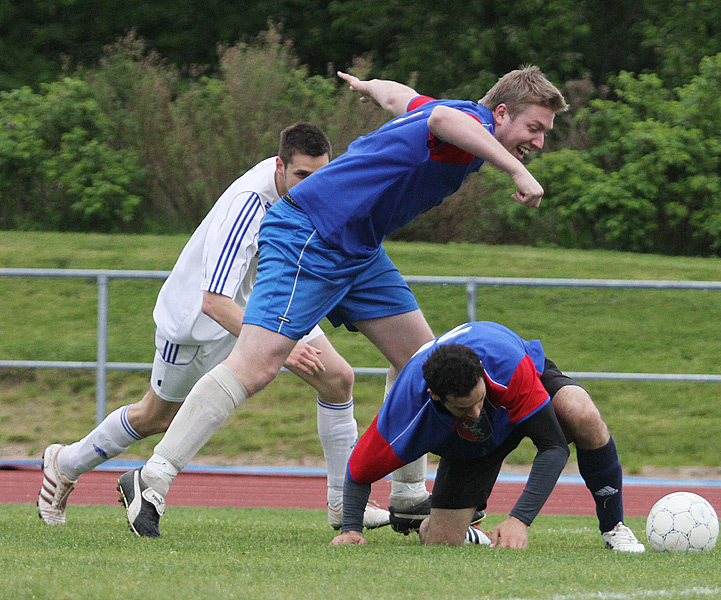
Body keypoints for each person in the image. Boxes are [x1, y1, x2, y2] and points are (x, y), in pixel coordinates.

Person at [116, 66, 570, 538]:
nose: (537, 142)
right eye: (533, 128)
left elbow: (404, 98)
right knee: (256, 365)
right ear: (500, 112)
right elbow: (441, 123)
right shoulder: (460, 120)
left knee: (422, 359)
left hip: (359, 247)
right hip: (311, 233)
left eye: (543, 134)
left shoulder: (448, 115)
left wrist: (369, 87)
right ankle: (152, 477)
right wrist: (515, 169)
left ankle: (409, 494)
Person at [38, 123, 390, 532]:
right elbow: (215, 301)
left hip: (264, 305)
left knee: (338, 378)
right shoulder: (248, 205)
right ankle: (64, 464)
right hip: (197, 323)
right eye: (302, 177)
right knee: (156, 417)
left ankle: (344, 504)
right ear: (280, 167)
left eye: (321, 175)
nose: (314, 186)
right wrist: (285, 348)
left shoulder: (307, 192)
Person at [331, 322, 645, 551]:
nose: (478, 412)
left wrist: (519, 520)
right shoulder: (406, 413)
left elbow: (553, 446)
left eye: (480, 400)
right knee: (440, 541)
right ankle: (470, 530)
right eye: (465, 407)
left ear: (481, 372)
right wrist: (351, 529)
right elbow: (358, 471)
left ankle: (613, 527)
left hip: (522, 391)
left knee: (581, 413)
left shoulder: (507, 366)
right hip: (470, 445)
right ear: (436, 397)